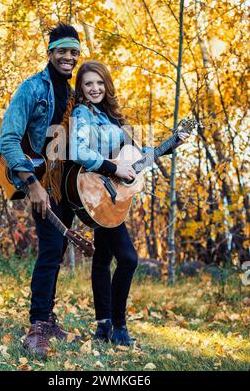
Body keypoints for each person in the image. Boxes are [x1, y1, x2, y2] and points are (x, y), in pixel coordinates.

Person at [70, 61, 190, 346]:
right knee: (129, 259)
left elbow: (136, 156)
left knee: (102, 259)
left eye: (99, 83)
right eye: (88, 83)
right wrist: (113, 170)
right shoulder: (83, 113)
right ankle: (119, 326)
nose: (95, 88)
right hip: (98, 191)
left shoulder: (112, 117)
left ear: (107, 85)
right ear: (81, 88)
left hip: (113, 197)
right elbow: (77, 149)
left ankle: (104, 326)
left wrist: (171, 143)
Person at [0, 23, 81, 357]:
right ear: (50, 53)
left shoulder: (74, 94)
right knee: (50, 250)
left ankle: (48, 317)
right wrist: (32, 185)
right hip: (41, 184)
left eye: (74, 52)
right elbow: (7, 137)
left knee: (58, 250)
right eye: (62, 50)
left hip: (66, 188)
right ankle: (37, 327)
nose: (68, 57)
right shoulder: (33, 89)